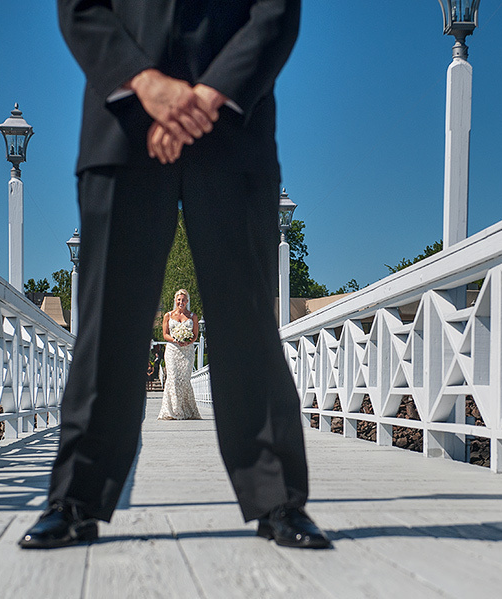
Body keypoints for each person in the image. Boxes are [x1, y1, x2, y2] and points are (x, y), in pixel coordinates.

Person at [20, 0, 329, 550]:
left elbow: (276, 10)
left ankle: (278, 498)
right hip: (122, 124)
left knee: (247, 322)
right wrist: (146, 84)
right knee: (106, 323)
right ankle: (75, 498)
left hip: (235, 122)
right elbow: (81, 8)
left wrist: (206, 97)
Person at [158, 289, 202, 420]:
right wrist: (176, 340)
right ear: (175, 301)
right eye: (178, 300)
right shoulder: (168, 315)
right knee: (173, 377)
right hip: (172, 350)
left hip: (187, 351)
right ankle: (173, 411)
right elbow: (165, 334)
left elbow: (195, 335)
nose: (181, 302)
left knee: (184, 379)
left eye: (183, 300)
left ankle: (186, 409)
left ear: (187, 301)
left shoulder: (192, 316)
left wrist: (188, 341)